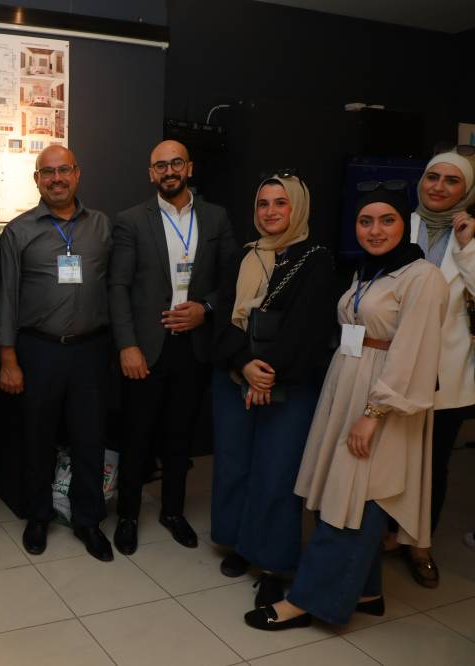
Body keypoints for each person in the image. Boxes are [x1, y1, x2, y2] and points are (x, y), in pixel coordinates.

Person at [245, 185, 447, 631]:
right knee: (347, 493)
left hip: (381, 402)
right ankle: (367, 592)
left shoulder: (422, 277)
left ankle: (308, 600)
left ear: (405, 224)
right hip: (346, 387)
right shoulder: (369, 271)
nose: (375, 230)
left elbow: (413, 352)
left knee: (355, 497)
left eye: (387, 220)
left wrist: (373, 414)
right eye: (365, 221)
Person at [210, 173, 335, 607]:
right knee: (235, 465)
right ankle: (239, 543)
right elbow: (223, 317)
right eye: (263, 204)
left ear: (297, 208)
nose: (270, 212)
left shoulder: (316, 260)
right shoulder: (242, 257)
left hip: (288, 384)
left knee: (276, 473)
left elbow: (308, 328)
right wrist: (245, 365)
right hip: (236, 377)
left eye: (281, 203)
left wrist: (268, 373)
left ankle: (271, 564)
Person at [108, 140, 236, 553]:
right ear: (151, 173)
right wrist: (127, 346)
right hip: (146, 348)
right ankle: (128, 516)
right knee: (136, 435)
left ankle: (172, 511)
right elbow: (118, 287)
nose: (169, 171)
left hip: (193, 346)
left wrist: (206, 309)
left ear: (189, 168)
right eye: (160, 165)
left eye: (176, 163)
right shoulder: (131, 221)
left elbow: (231, 280)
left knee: (181, 437)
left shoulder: (216, 218)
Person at [0, 145, 113, 562]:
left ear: (77, 174)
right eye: (48, 172)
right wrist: (8, 359)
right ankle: (38, 515)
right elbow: (5, 298)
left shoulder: (102, 226)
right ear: (37, 180)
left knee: (90, 437)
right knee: (37, 437)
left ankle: (88, 520)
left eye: (64, 170)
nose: (57, 179)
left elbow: (117, 286)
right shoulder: (18, 231)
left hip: (92, 350)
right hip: (39, 350)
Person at [395, 149, 475, 587]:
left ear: (467, 190)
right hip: (395, 361)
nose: (439, 187)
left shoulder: (471, 237)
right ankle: (385, 534)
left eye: (451, 180)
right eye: (432, 177)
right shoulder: (394, 222)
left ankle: (419, 544)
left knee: (433, 462)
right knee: (392, 456)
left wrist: (466, 249)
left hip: (447, 369)